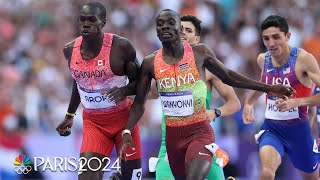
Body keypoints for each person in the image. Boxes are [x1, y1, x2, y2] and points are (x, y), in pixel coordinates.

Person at [120, 9, 293, 180]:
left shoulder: (200, 55)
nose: (166, 27)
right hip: (171, 139)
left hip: (199, 132)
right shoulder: (152, 62)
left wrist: (267, 88)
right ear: (156, 31)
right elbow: (145, 95)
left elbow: (229, 77)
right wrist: (121, 93)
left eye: (173, 24)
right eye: (160, 24)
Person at [55, 2, 142, 180]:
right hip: (94, 124)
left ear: (103, 22)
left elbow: (142, 83)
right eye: (82, 20)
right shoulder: (70, 50)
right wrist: (70, 114)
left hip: (124, 121)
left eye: (92, 20)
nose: (86, 24)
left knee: (130, 177)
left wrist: (124, 90)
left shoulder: (121, 48)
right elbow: (78, 82)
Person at [149, 14, 240, 180]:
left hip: (199, 138)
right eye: (180, 28)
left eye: (188, 30)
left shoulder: (208, 68)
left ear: (197, 39)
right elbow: (150, 93)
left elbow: (234, 103)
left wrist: (215, 112)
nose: (182, 33)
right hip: (169, 142)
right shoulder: (161, 64)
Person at [242, 15, 320, 180]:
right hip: (272, 128)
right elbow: (264, 83)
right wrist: (249, 102)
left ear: (288, 36)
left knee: (311, 178)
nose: (271, 43)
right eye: (266, 38)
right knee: (267, 173)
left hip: (299, 131)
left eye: (276, 37)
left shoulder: (304, 60)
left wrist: (297, 102)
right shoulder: (263, 60)